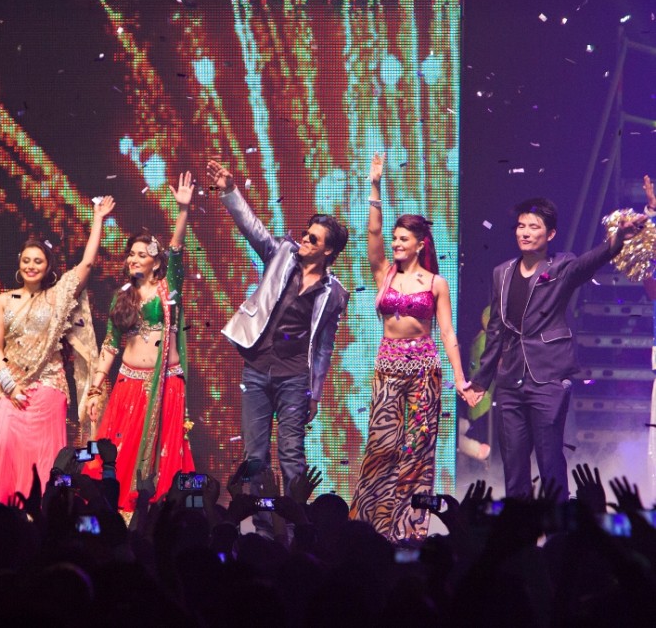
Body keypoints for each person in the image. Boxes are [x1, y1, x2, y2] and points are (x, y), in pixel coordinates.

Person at [465, 197, 645, 501]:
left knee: (549, 459)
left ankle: (558, 523)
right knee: (514, 464)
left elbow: (590, 261)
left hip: (548, 377)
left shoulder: (561, 266)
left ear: (550, 234)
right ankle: (520, 525)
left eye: (533, 227)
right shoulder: (502, 273)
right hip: (510, 381)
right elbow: (496, 328)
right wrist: (482, 380)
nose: (524, 232)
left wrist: (617, 239)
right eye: (520, 226)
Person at [205, 159, 349, 535]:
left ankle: (296, 529)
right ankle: (264, 530)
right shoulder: (283, 254)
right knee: (255, 456)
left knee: (291, 454)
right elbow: (254, 231)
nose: (304, 240)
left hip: (294, 378)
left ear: (328, 251)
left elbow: (324, 349)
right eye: (305, 234)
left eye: (313, 239)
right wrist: (229, 191)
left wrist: (315, 393)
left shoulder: (335, 294)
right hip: (256, 369)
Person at [348, 153, 468, 543]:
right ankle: (368, 528)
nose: (396, 243)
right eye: (395, 238)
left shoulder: (435, 283)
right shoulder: (384, 273)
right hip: (388, 369)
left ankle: (409, 530)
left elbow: (447, 332)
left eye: (404, 239)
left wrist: (460, 378)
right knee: (381, 446)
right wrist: (375, 186)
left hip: (424, 372)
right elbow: (372, 233)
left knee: (417, 451)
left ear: (420, 244)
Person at [0, 197, 114, 503]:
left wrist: (98, 219)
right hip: (10, 388)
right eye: (26, 260)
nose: (31, 266)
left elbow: (87, 264)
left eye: (38, 261)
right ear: (19, 263)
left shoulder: (57, 297)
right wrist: (9, 384)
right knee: (2, 444)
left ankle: (43, 514)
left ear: (48, 267)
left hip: (48, 388)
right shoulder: (4, 300)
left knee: (46, 457)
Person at [84, 173, 194, 513]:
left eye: (141, 254)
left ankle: (156, 515)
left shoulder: (168, 290)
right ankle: (118, 514)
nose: (133, 259)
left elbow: (176, 251)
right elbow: (110, 344)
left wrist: (183, 211)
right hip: (128, 385)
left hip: (164, 385)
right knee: (118, 453)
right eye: (130, 254)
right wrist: (95, 387)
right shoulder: (122, 297)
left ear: (155, 262)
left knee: (161, 454)